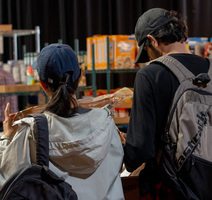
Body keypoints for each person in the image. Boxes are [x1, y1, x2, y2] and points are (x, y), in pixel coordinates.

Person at [123, 8, 212, 199]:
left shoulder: (149, 75)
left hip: (167, 188)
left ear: (152, 40)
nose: (150, 58)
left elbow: (141, 150)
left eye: (146, 50)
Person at [0, 44, 124, 200]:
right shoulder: (106, 121)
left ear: (42, 84)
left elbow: (7, 181)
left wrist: (7, 138)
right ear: (80, 77)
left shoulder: (32, 130)